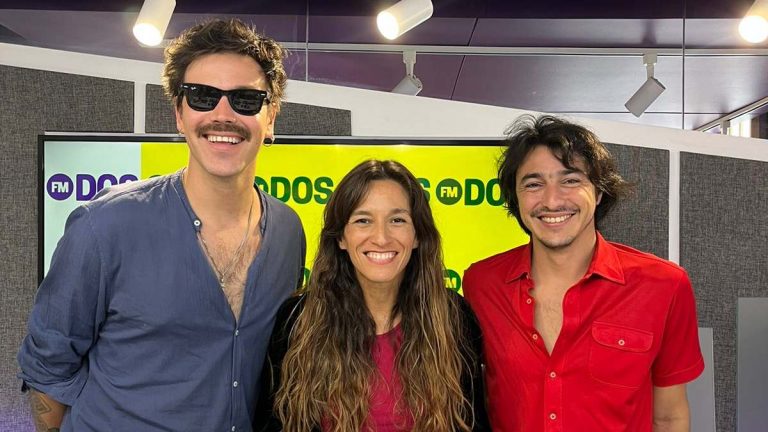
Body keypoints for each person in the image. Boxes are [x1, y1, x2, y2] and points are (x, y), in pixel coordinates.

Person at [17, 19, 305, 431]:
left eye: (245, 99)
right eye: (203, 96)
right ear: (179, 114)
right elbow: (47, 370)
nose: (223, 115)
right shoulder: (104, 226)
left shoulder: (288, 232)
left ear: (271, 116)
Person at [463, 115, 704, 431]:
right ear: (515, 198)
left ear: (599, 191)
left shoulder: (664, 285)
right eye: (534, 184)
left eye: (571, 180)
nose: (552, 200)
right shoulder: (482, 283)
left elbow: (669, 417)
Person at [253, 160, 489, 432]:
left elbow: (473, 424)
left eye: (397, 220)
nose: (381, 237)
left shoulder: (453, 317)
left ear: (417, 236)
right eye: (363, 220)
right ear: (341, 237)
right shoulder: (297, 320)